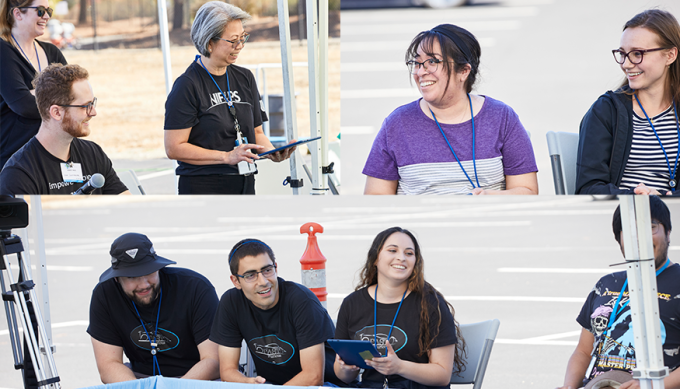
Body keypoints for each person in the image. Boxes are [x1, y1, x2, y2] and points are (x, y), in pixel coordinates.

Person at [362, 24, 538, 195]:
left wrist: (490, 198)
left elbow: (527, 190)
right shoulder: (397, 123)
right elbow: (376, 196)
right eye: (417, 63)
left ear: (463, 71)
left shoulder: (502, 117)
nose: (420, 72)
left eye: (432, 61)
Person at [164, 1, 297, 195]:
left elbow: (257, 132)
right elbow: (174, 148)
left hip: (245, 183)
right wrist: (227, 157)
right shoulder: (187, 85)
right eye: (233, 40)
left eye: (243, 38)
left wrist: (271, 152)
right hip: (204, 187)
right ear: (209, 42)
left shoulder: (245, 77)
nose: (240, 46)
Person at [558, 196, 680, 389]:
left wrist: (654, 386)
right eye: (631, 231)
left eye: (651, 227)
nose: (640, 238)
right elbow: (583, 351)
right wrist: (569, 386)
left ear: (668, 233)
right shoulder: (606, 284)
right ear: (619, 239)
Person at [334, 227, 465, 389]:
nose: (401, 258)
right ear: (375, 258)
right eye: (392, 250)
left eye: (409, 253)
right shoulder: (352, 303)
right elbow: (343, 377)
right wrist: (346, 369)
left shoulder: (431, 303)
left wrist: (400, 367)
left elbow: (443, 374)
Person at [87, 233, 220, 383]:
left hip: (197, 378)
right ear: (117, 278)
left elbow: (214, 361)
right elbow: (108, 365)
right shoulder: (104, 295)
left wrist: (175, 388)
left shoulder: (195, 288)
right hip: (139, 380)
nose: (144, 284)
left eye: (149, 272)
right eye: (131, 277)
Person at [210, 239, 341, 386]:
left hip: (326, 385)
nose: (263, 281)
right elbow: (227, 371)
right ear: (235, 281)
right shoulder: (231, 302)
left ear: (276, 268)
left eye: (267, 270)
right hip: (273, 385)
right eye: (250, 275)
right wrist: (249, 382)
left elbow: (313, 377)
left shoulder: (301, 301)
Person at [576, 9, 680, 195]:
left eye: (637, 54)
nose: (626, 64)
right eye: (623, 53)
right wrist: (636, 196)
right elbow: (588, 187)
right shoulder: (606, 111)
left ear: (670, 55)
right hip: (623, 217)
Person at [0, 63, 128, 195]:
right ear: (56, 112)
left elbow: (129, 206)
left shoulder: (93, 153)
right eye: (85, 106)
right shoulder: (19, 174)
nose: (93, 112)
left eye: (92, 103)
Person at [0, 0, 66, 170]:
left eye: (48, 11)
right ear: (18, 13)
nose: (46, 16)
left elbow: (73, 98)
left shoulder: (53, 52)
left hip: (53, 153)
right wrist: (56, 97)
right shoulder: (3, 51)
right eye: (40, 10)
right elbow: (24, 105)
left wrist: (34, 92)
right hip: (13, 159)